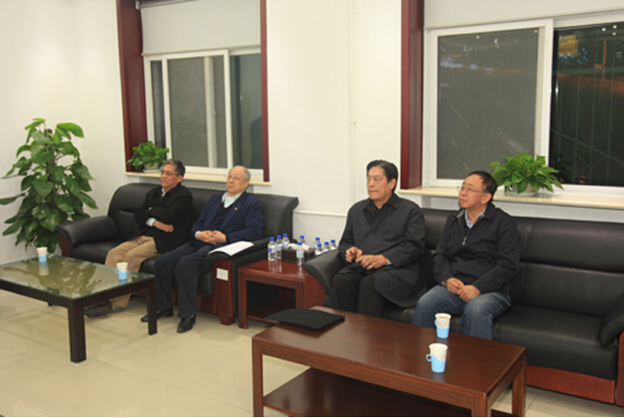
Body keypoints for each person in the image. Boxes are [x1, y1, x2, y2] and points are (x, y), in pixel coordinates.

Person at [142, 165, 263, 333]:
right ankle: (163, 307)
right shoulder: (215, 199)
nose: (231, 181)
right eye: (229, 177)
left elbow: (254, 231)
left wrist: (225, 237)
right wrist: (198, 233)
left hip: (219, 246)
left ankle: (188, 315)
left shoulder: (251, 203)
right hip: (199, 241)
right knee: (163, 261)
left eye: (236, 178)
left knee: (186, 264)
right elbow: (197, 222)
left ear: (246, 183)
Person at [411, 171, 522, 340]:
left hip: (490, 291)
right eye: (462, 188)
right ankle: (422, 354)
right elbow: (441, 255)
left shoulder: (504, 223)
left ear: (485, 197)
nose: (463, 193)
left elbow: (508, 266)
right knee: (426, 303)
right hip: (456, 288)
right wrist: (447, 279)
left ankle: (477, 358)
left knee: (475, 310)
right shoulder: (454, 220)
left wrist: (477, 287)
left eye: (469, 189)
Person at [85, 159, 194, 316]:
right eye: (162, 172)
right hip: (143, 234)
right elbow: (139, 215)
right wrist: (154, 222)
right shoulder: (155, 192)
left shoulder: (184, 196)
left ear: (179, 178)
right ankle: (103, 295)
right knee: (114, 254)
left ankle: (114, 302)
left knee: (131, 256)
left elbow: (170, 216)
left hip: (163, 240)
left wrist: (150, 210)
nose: (163, 176)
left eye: (168, 173)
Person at [330, 160, 426, 318]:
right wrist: (349, 251)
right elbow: (346, 242)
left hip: (398, 272)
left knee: (371, 284)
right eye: (368, 179)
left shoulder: (410, 211)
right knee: (341, 280)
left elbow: (414, 246)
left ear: (392, 183)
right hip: (363, 268)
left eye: (377, 179)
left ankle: (368, 334)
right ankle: (343, 331)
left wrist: (383, 259)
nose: (371, 184)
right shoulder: (357, 210)